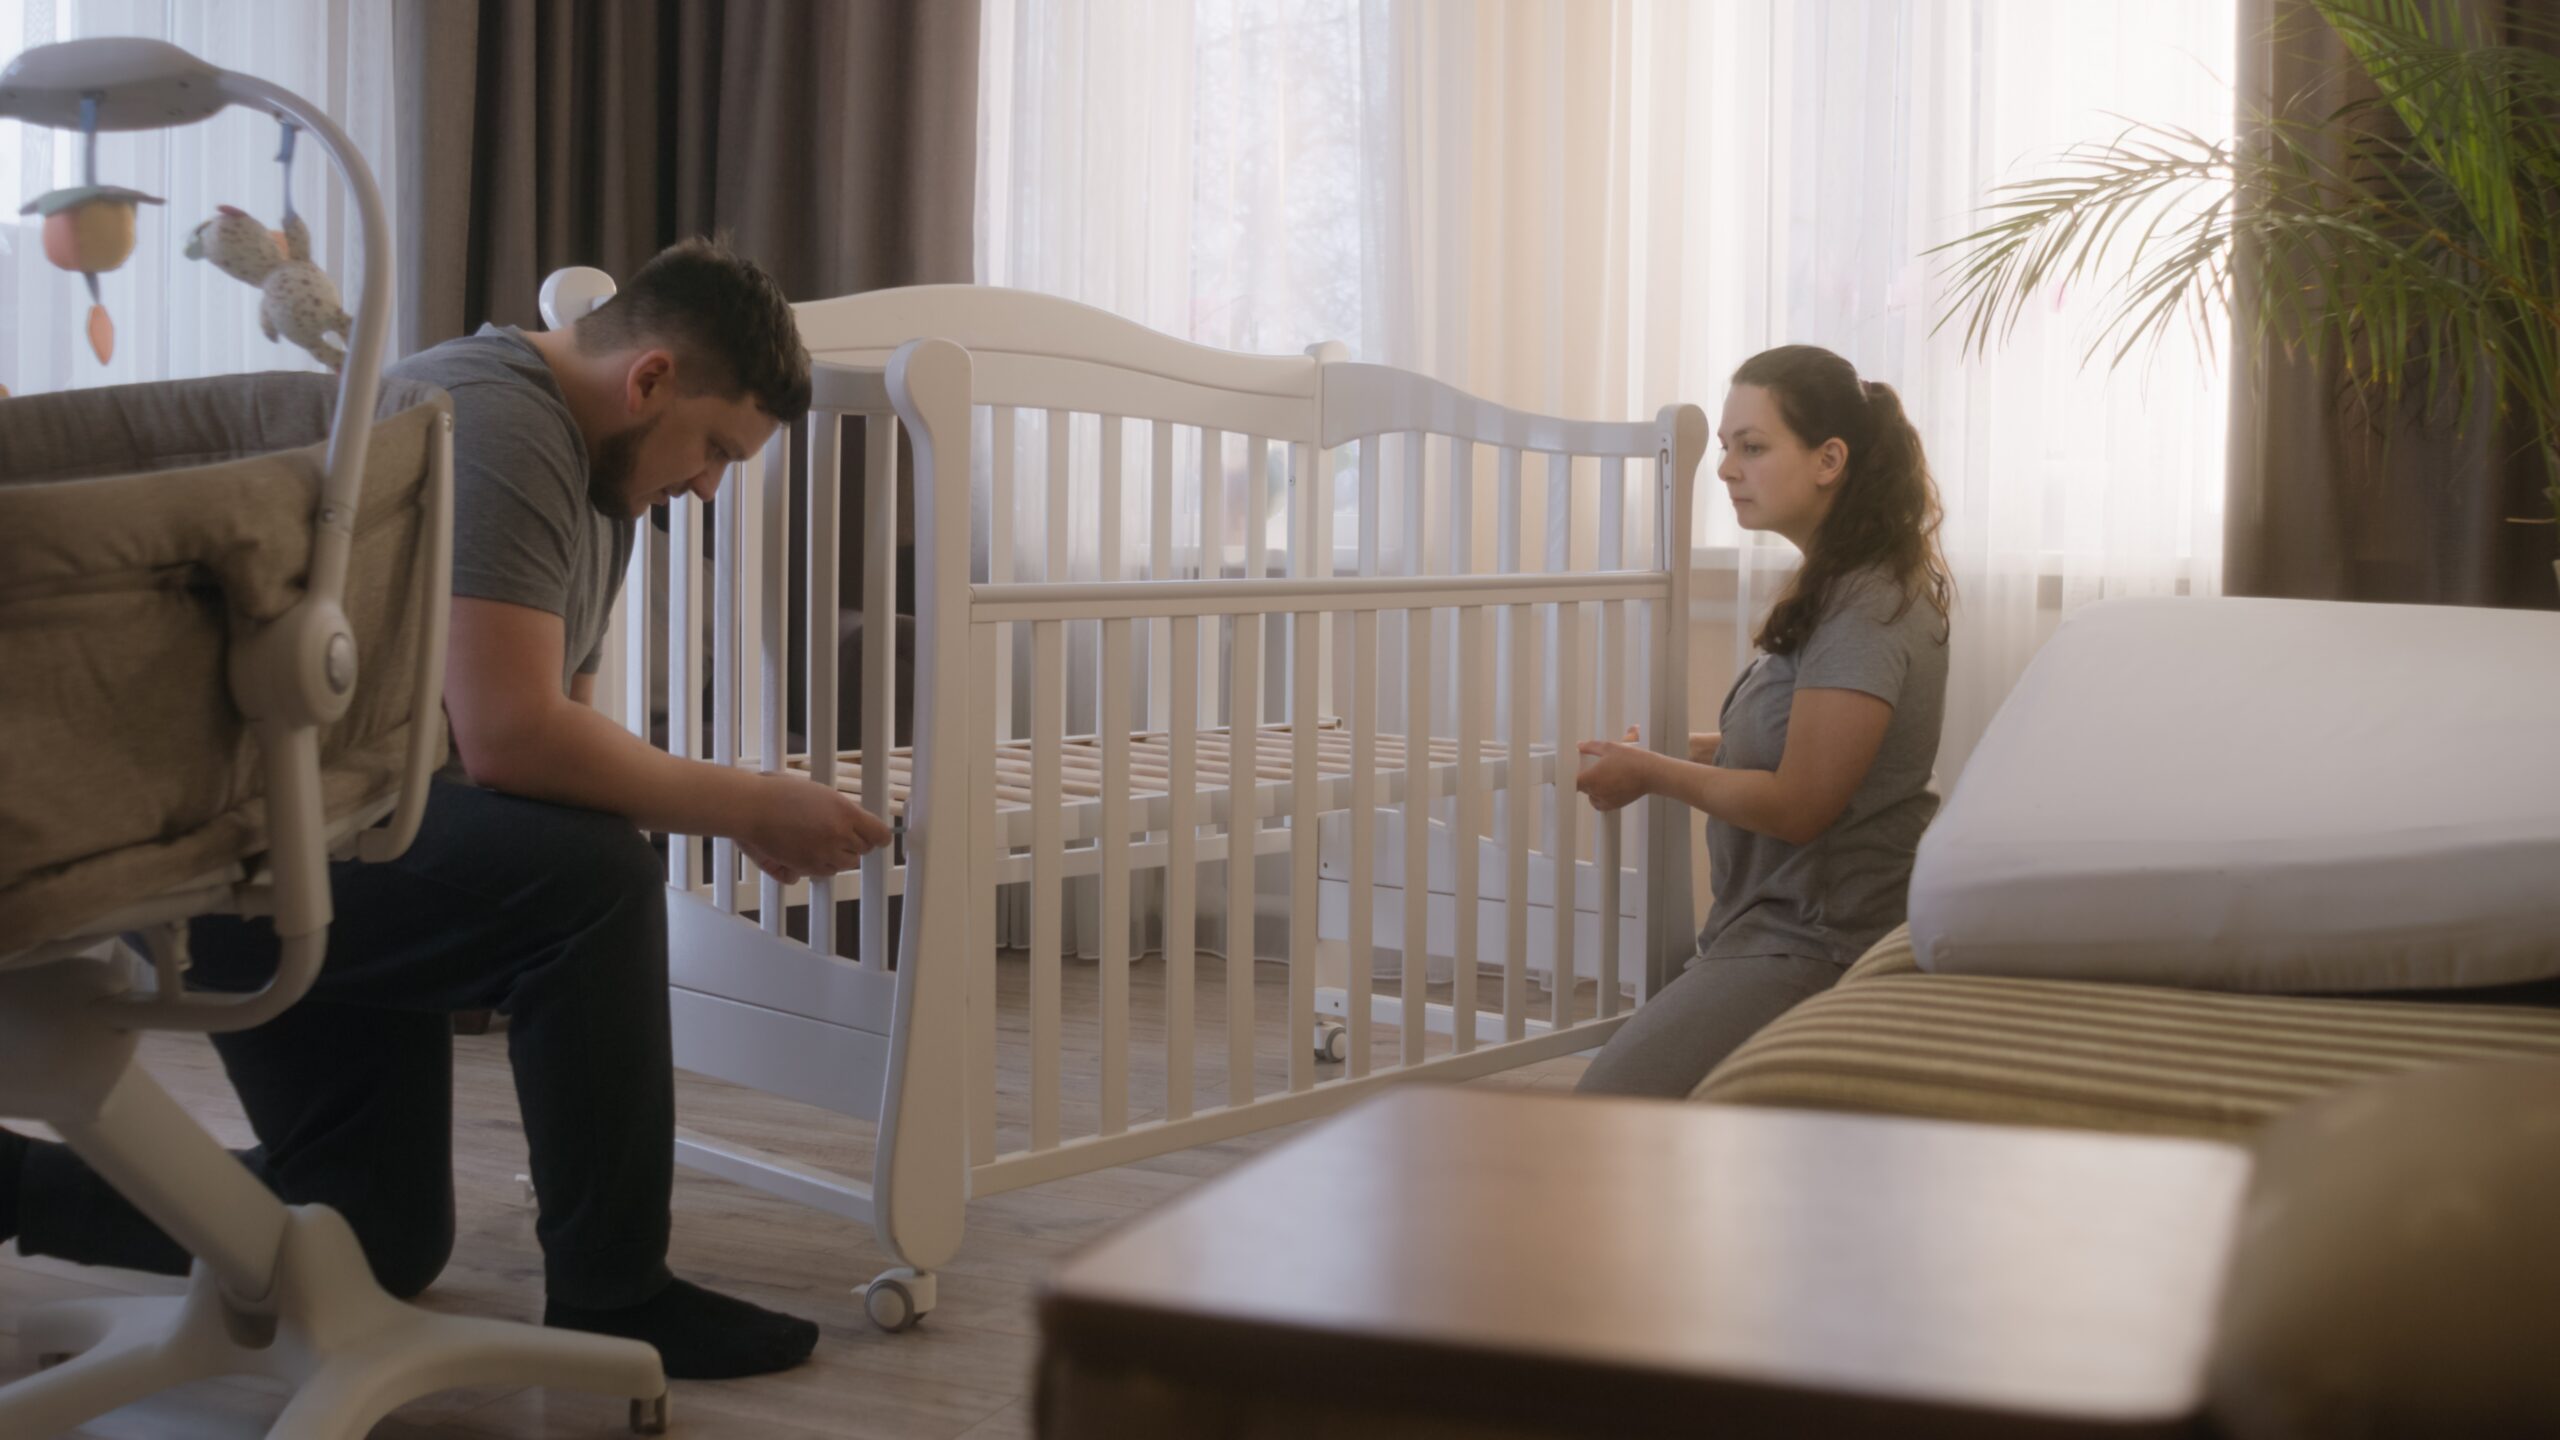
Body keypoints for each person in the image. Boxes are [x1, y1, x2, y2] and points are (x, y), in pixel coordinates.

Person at [0, 237, 888, 1380]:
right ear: (652, 379)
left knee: (373, 1232)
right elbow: (511, 738)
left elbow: (556, 757)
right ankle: (617, 1290)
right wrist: (747, 806)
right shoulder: (499, 422)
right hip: (240, 844)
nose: (711, 485)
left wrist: (717, 814)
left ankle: (12, 1188)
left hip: (339, 826)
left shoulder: (606, 478)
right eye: (716, 449)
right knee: (598, 884)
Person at [1572, 344, 1950, 1100]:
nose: (1724, 470)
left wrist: (1652, 773)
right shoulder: (1840, 582)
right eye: (1725, 448)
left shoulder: (1867, 603)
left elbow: (1801, 803)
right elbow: (1807, 742)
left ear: (1829, 459)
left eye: (1752, 447)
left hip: (1819, 938)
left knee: (1603, 1110)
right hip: (1777, 926)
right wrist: (1694, 750)